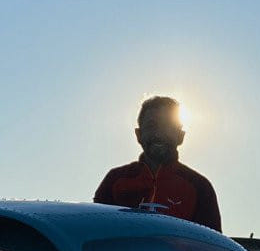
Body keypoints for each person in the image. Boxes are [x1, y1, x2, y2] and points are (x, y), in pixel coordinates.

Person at [93, 96, 222, 231]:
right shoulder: (115, 180)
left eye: (168, 126)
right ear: (139, 134)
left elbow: (212, 246)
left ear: (180, 136)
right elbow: (95, 232)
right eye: (151, 126)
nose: (159, 134)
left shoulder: (200, 187)